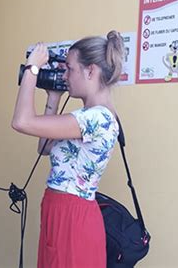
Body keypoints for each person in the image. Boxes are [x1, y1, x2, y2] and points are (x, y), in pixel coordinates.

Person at [12, 30, 125, 268]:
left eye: (69, 69)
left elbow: (21, 122)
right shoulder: (84, 118)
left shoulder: (96, 118)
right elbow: (43, 147)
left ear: (91, 71)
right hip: (61, 212)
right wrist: (53, 98)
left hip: (72, 217)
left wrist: (32, 69)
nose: (65, 75)